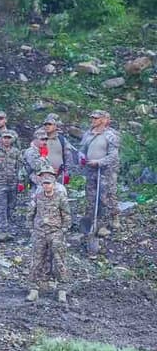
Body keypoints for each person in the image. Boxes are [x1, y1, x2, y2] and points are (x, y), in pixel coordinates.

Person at [27, 165, 70, 303]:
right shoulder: (37, 196)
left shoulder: (60, 196)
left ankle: (62, 289)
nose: (46, 186)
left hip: (55, 232)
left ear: (53, 184)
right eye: (44, 183)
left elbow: (67, 215)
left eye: (48, 183)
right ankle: (34, 289)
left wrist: (63, 230)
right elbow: (30, 214)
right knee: (37, 260)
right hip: (39, 232)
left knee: (59, 261)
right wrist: (31, 229)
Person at [79, 109, 120, 251]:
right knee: (90, 196)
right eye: (92, 118)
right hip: (90, 171)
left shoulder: (111, 136)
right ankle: (90, 222)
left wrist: (99, 162)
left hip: (104, 172)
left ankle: (102, 225)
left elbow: (113, 156)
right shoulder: (88, 134)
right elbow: (82, 149)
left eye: (96, 118)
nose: (93, 120)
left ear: (103, 119)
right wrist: (82, 158)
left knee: (103, 198)